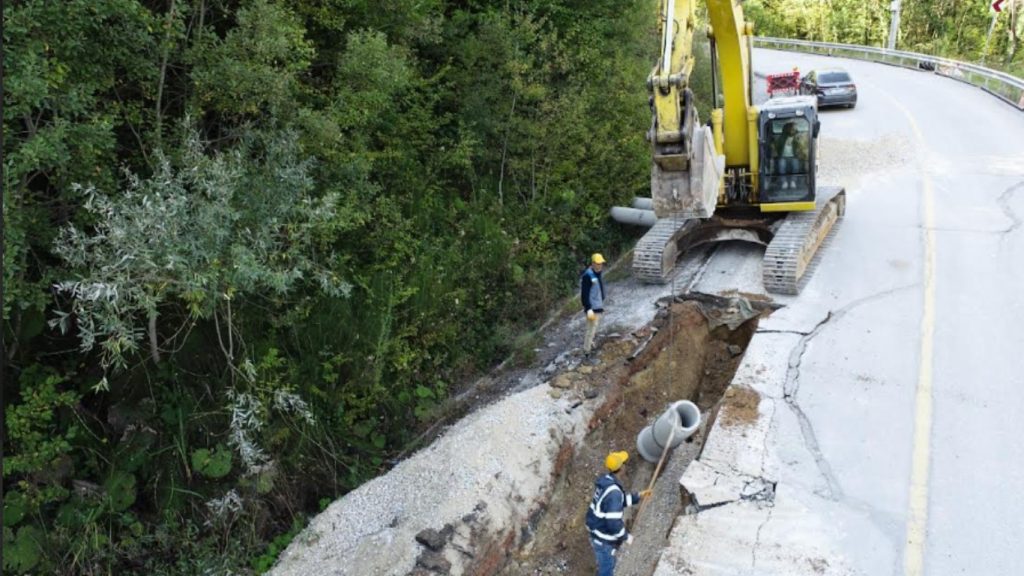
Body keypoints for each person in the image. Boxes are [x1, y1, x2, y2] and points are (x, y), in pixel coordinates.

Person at [585, 451, 651, 576]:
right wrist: (626, 537)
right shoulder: (614, 492)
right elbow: (613, 523)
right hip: (602, 538)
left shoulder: (606, 482)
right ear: (621, 468)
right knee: (607, 569)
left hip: (597, 531)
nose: (626, 466)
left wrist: (639, 496)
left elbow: (617, 502)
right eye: (624, 463)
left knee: (606, 563)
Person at [580, 253, 606, 356]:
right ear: (593, 263)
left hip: (598, 307)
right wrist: (588, 308)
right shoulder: (588, 276)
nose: (600, 265)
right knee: (590, 329)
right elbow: (584, 294)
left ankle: (590, 343)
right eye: (598, 263)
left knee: (594, 328)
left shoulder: (597, 273)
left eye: (601, 263)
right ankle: (587, 350)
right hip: (592, 308)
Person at [772, 121, 808, 190]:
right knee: (781, 167)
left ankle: (793, 181)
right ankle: (784, 182)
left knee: (795, 167)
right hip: (783, 156)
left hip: (794, 156)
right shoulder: (782, 137)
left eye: (794, 128)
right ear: (787, 129)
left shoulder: (798, 137)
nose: (793, 130)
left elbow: (802, 146)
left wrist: (798, 141)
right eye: (792, 128)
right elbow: (776, 146)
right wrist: (775, 151)